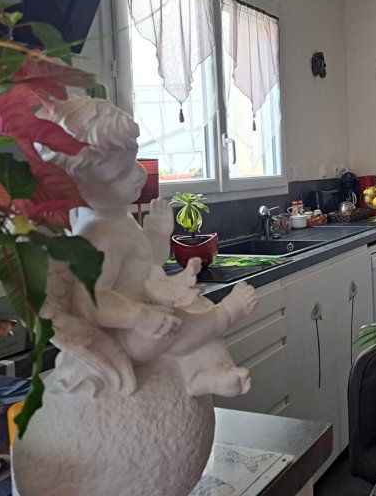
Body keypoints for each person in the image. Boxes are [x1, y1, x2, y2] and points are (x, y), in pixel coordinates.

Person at [39, 95, 257, 398]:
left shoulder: (118, 218)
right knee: (200, 323)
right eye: (121, 173)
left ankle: (204, 377)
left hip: (151, 319)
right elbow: (90, 301)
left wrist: (156, 234)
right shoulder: (98, 234)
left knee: (199, 323)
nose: (138, 174)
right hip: (138, 333)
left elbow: (145, 265)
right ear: (74, 187)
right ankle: (227, 315)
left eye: (134, 161)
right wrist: (141, 317)